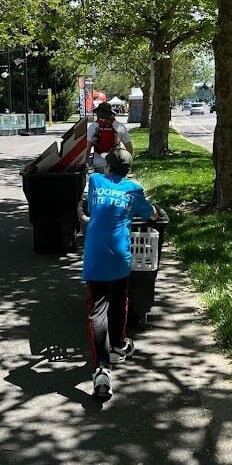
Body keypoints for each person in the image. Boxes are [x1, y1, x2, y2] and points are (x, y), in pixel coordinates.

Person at [79, 147, 157, 399]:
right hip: (120, 256)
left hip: (95, 258)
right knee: (120, 299)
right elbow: (152, 214)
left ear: (108, 167)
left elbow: (92, 210)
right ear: (128, 170)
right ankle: (120, 344)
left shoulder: (95, 181)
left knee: (97, 309)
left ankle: (102, 369)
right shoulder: (134, 189)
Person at [86, 101, 133, 172]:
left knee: (101, 182)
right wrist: (128, 164)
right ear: (110, 113)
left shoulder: (93, 127)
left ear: (98, 113)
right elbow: (129, 147)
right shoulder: (119, 126)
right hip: (115, 163)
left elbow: (88, 148)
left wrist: (85, 163)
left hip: (98, 164)